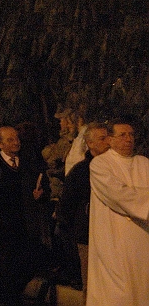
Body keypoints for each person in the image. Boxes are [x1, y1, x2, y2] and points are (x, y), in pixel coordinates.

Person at [0, 126, 50, 306]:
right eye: (10, 140)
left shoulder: (28, 164)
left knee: (26, 267)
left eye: (17, 138)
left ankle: (13, 297)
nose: (16, 142)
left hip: (24, 227)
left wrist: (41, 195)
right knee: (3, 275)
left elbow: (44, 188)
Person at [87, 119, 149, 305]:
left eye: (131, 134)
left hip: (142, 241)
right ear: (110, 140)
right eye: (122, 135)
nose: (128, 139)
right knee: (117, 293)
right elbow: (118, 195)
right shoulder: (100, 164)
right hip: (113, 241)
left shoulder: (144, 163)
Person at [55, 122, 109, 302]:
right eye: (102, 138)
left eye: (109, 137)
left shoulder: (116, 169)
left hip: (113, 236)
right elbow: (67, 208)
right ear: (90, 143)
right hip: (88, 238)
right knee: (92, 285)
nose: (108, 142)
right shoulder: (80, 172)